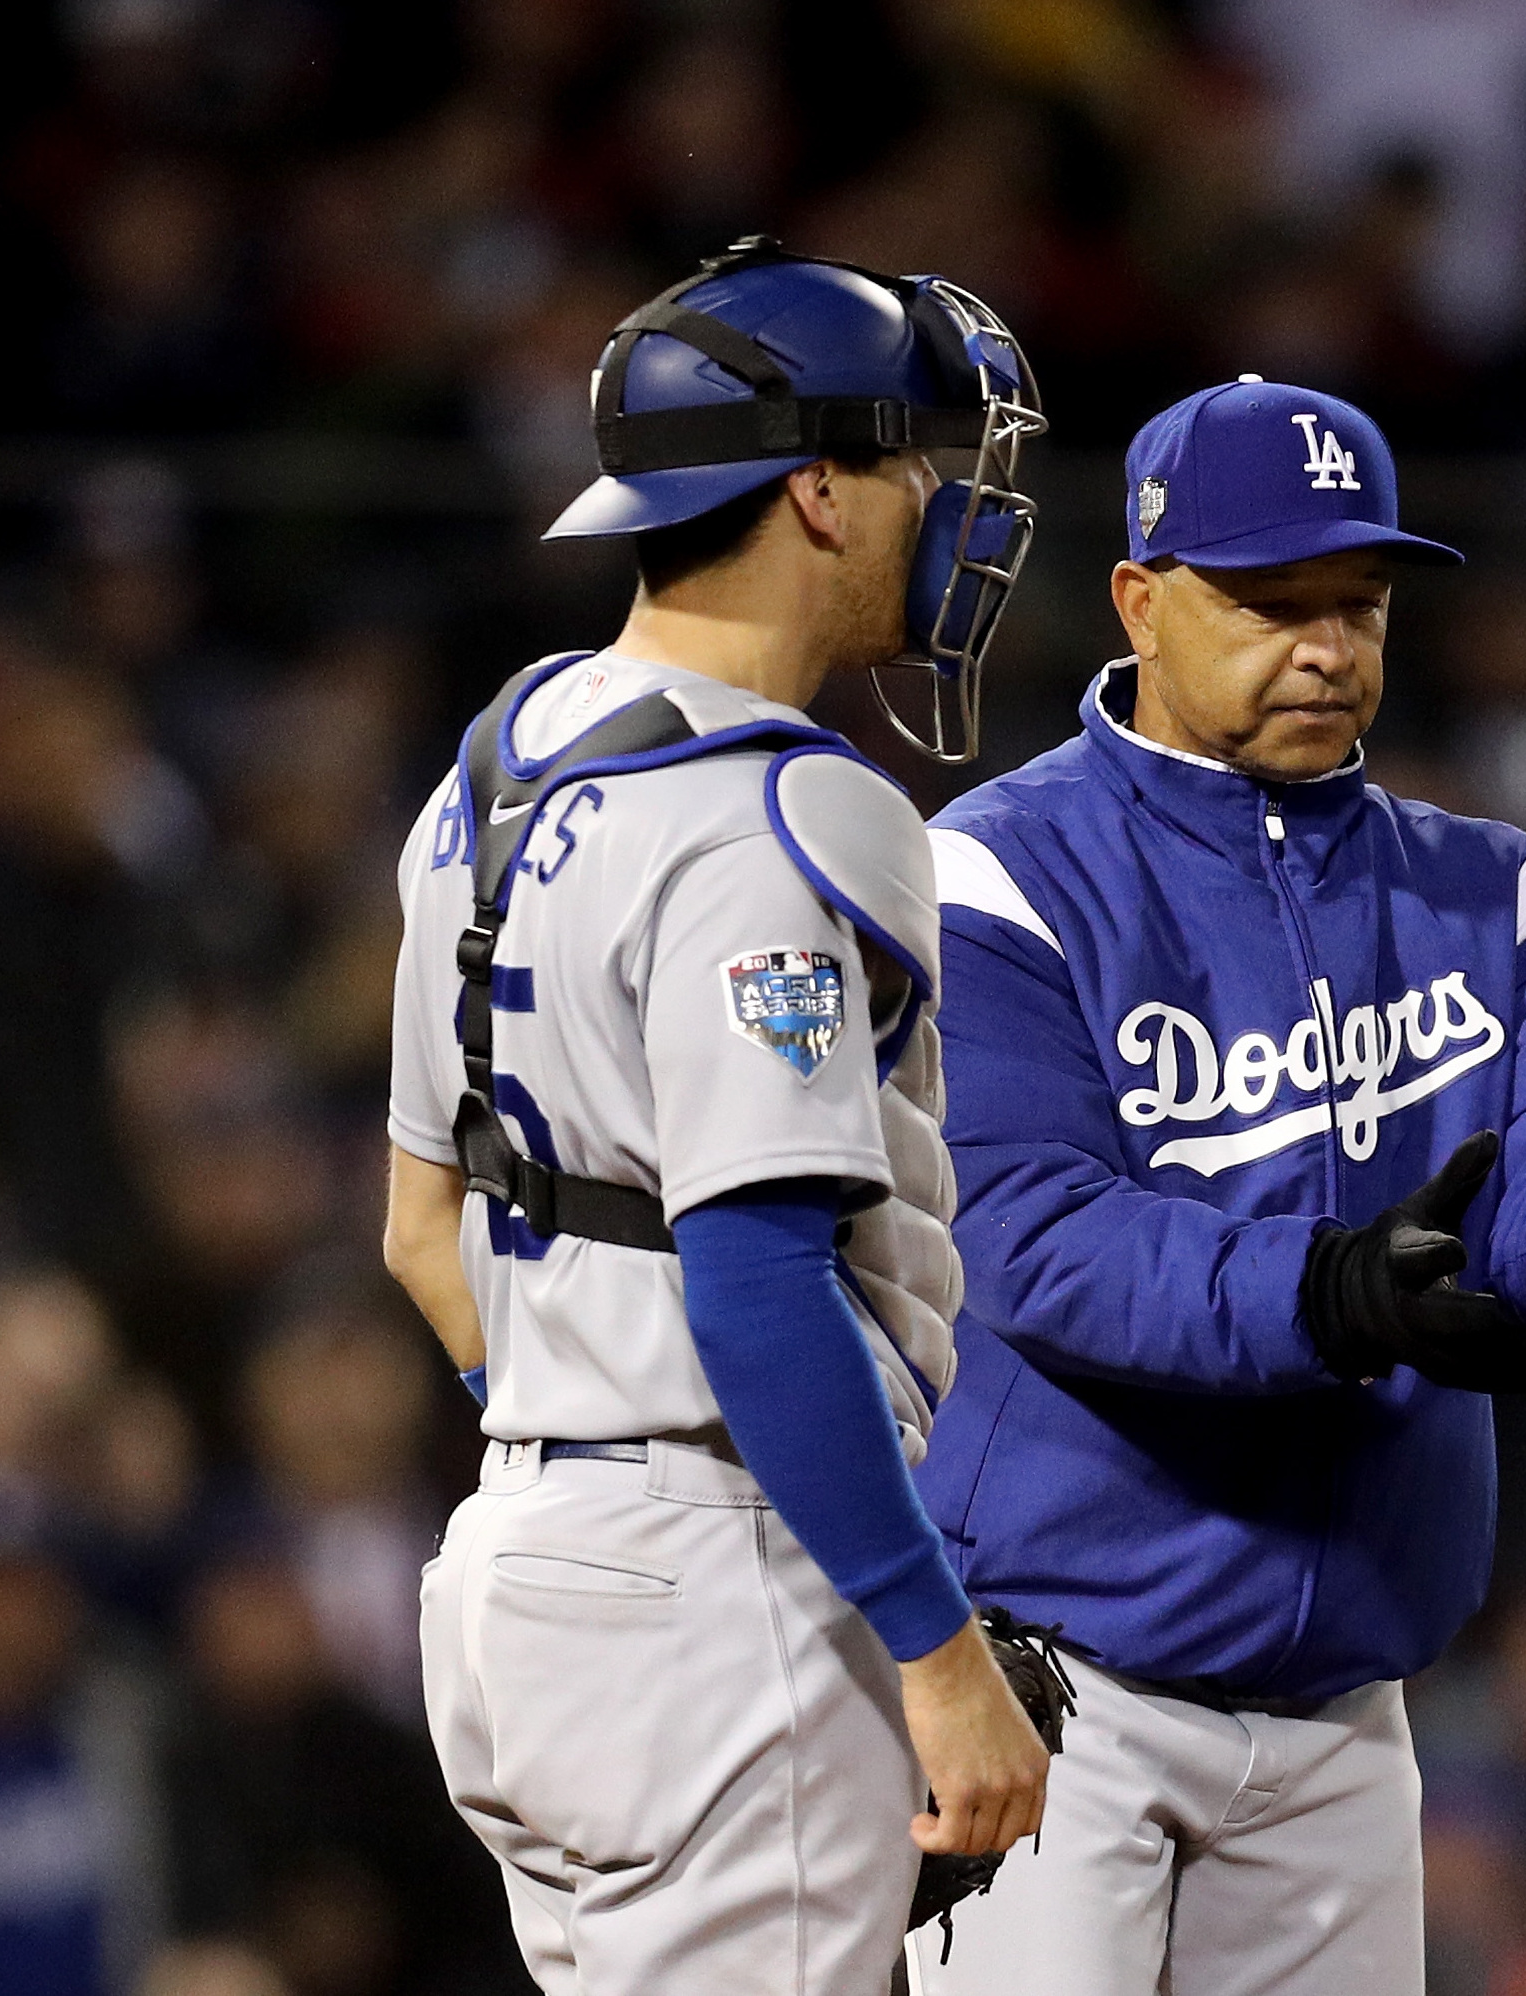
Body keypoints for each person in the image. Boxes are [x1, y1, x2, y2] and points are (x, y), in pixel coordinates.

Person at [903, 375, 1526, 1994]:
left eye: (1353, 603)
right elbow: (1019, 1229)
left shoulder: (1476, 879)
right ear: (1139, 602)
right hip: (1067, 1690)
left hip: (1350, 1707)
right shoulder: (996, 872)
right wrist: (1328, 1286)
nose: (1324, 643)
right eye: (1270, 601)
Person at [379, 238, 1054, 1992]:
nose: (946, 507)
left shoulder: (495, 765)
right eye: (916, 466)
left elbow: (416, 1231)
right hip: (715, 1599)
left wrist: (580, 1435)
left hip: (518, 1568)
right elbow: (755, 1286)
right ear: (817, 493)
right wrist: (929, 1647)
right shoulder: (775, 812)